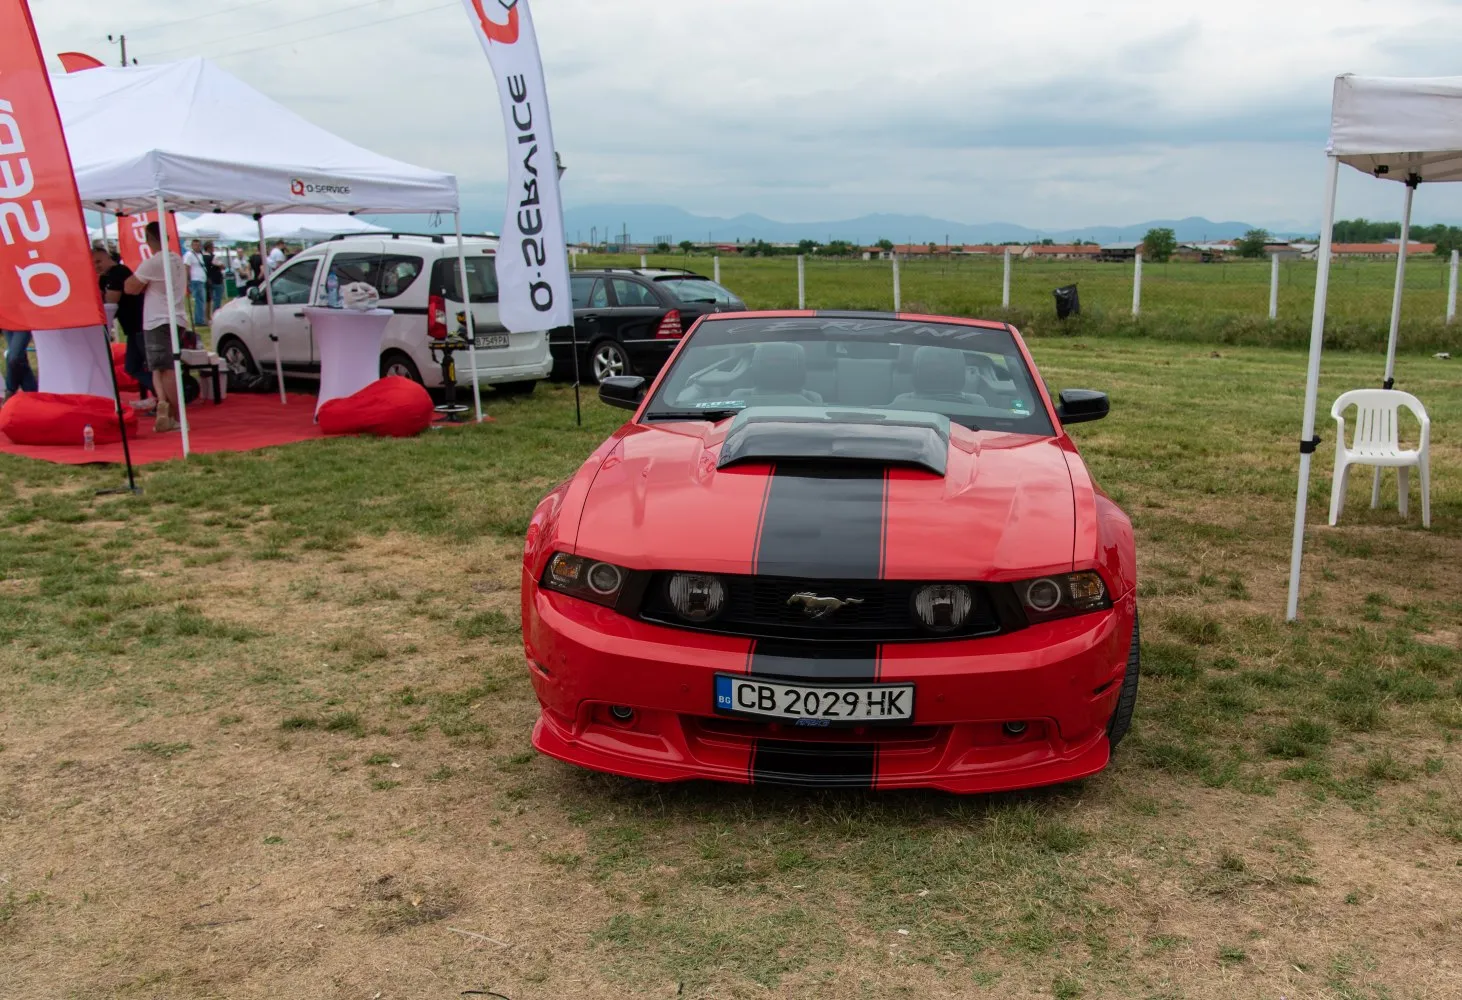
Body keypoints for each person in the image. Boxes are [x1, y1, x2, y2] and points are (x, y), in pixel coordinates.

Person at [125, 222, 190, 433]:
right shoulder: (176, 260)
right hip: (174, 317)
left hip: (159, 319)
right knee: (158, 368)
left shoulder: (155, 262)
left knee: (166, 369)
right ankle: (166, 410)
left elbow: (130, 287)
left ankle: (178, 415)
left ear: (147, 239)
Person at [92, 243, 153, 408]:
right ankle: (160, 395)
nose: (96, 266)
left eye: (98, 261)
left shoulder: (119, 272)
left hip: (141, 324)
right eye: (93, 263)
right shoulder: (105, 277)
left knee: (149, 364)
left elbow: (111, 300)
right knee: (132, 366)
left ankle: (165, 396)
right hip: (131, 327)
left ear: (108, 257)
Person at [3, 328, 35, 396]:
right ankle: (32, 393)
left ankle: (10, 390)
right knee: (20, 358)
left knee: (14, 357)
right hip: (6, 321)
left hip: (23, 321)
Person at [183, 239, 207, 327]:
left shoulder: (200, 255)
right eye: (195, 245)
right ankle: (199, 320)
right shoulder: (189, 255)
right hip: (195, 280)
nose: (197, 246)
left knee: (201, 301)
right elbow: (186, 267)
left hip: (201, 280)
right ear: (192, 246)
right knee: (199, 300)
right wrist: (188, 280)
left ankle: (200, 319)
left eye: (198, 245)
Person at [203, 241, 225, 320]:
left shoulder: (202, 257)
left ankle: (206, 316)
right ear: (209, 248)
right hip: (216, 279)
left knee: (208, 299)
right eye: (212, 247)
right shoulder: (213, 257)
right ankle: (215, 315)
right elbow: (222, 266)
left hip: (207, 280)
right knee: (217, 298)